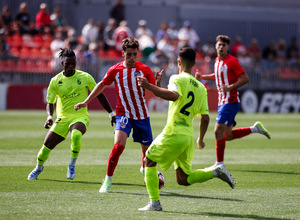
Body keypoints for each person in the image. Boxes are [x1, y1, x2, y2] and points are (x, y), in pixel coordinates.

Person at [137, 47, 235, 211]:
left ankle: (155, 203)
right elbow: (205, 117)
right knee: (183, 178)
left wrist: (148, 86)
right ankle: (215, 171)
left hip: (174, 132)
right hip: (188, 136)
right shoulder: (201, 87)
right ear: (194, 63)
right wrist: (201, 139)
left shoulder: (177, 78)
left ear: (179, 62)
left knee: (148, 160)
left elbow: (174, 96)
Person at [74, 37, 162, 193]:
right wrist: (86, 101)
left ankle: (144, 167)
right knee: (118, 146)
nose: (132, 57)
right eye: (129, 54)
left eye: (135, 54)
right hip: (124, 114)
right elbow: (101, 84)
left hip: (141, 116)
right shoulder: (115, 70)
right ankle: (107, 180)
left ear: (138, 53)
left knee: (147, 153)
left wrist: (159, 83)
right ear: (123, 54)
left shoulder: (145, 70)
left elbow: (156, 90)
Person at [27, 48, 115, 180]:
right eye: (68, 63)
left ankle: (72, 165)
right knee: (45, 148)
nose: (71, 66)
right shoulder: (55, 81)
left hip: (80, 116)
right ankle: (38, 168)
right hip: (62, 118)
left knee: (76, 134)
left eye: (73, 63)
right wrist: (49, 116)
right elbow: (50, 102)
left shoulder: (85, 77)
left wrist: (111, 113)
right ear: (62, 63)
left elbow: (99, 95)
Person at [195, 35, 271, 170]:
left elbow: (245, 78)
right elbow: (217, 75)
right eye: (219, 44)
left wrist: (229, 87)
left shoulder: (232, 61)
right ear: (215, 46)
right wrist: (203, 77)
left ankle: (219, 164)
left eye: (224, 45)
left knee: (217, 131)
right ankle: (255, 128)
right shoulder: (218, 60)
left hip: (230, 101)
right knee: (227, 136)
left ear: (228, 47)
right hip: (223, 101)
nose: (221, 47)